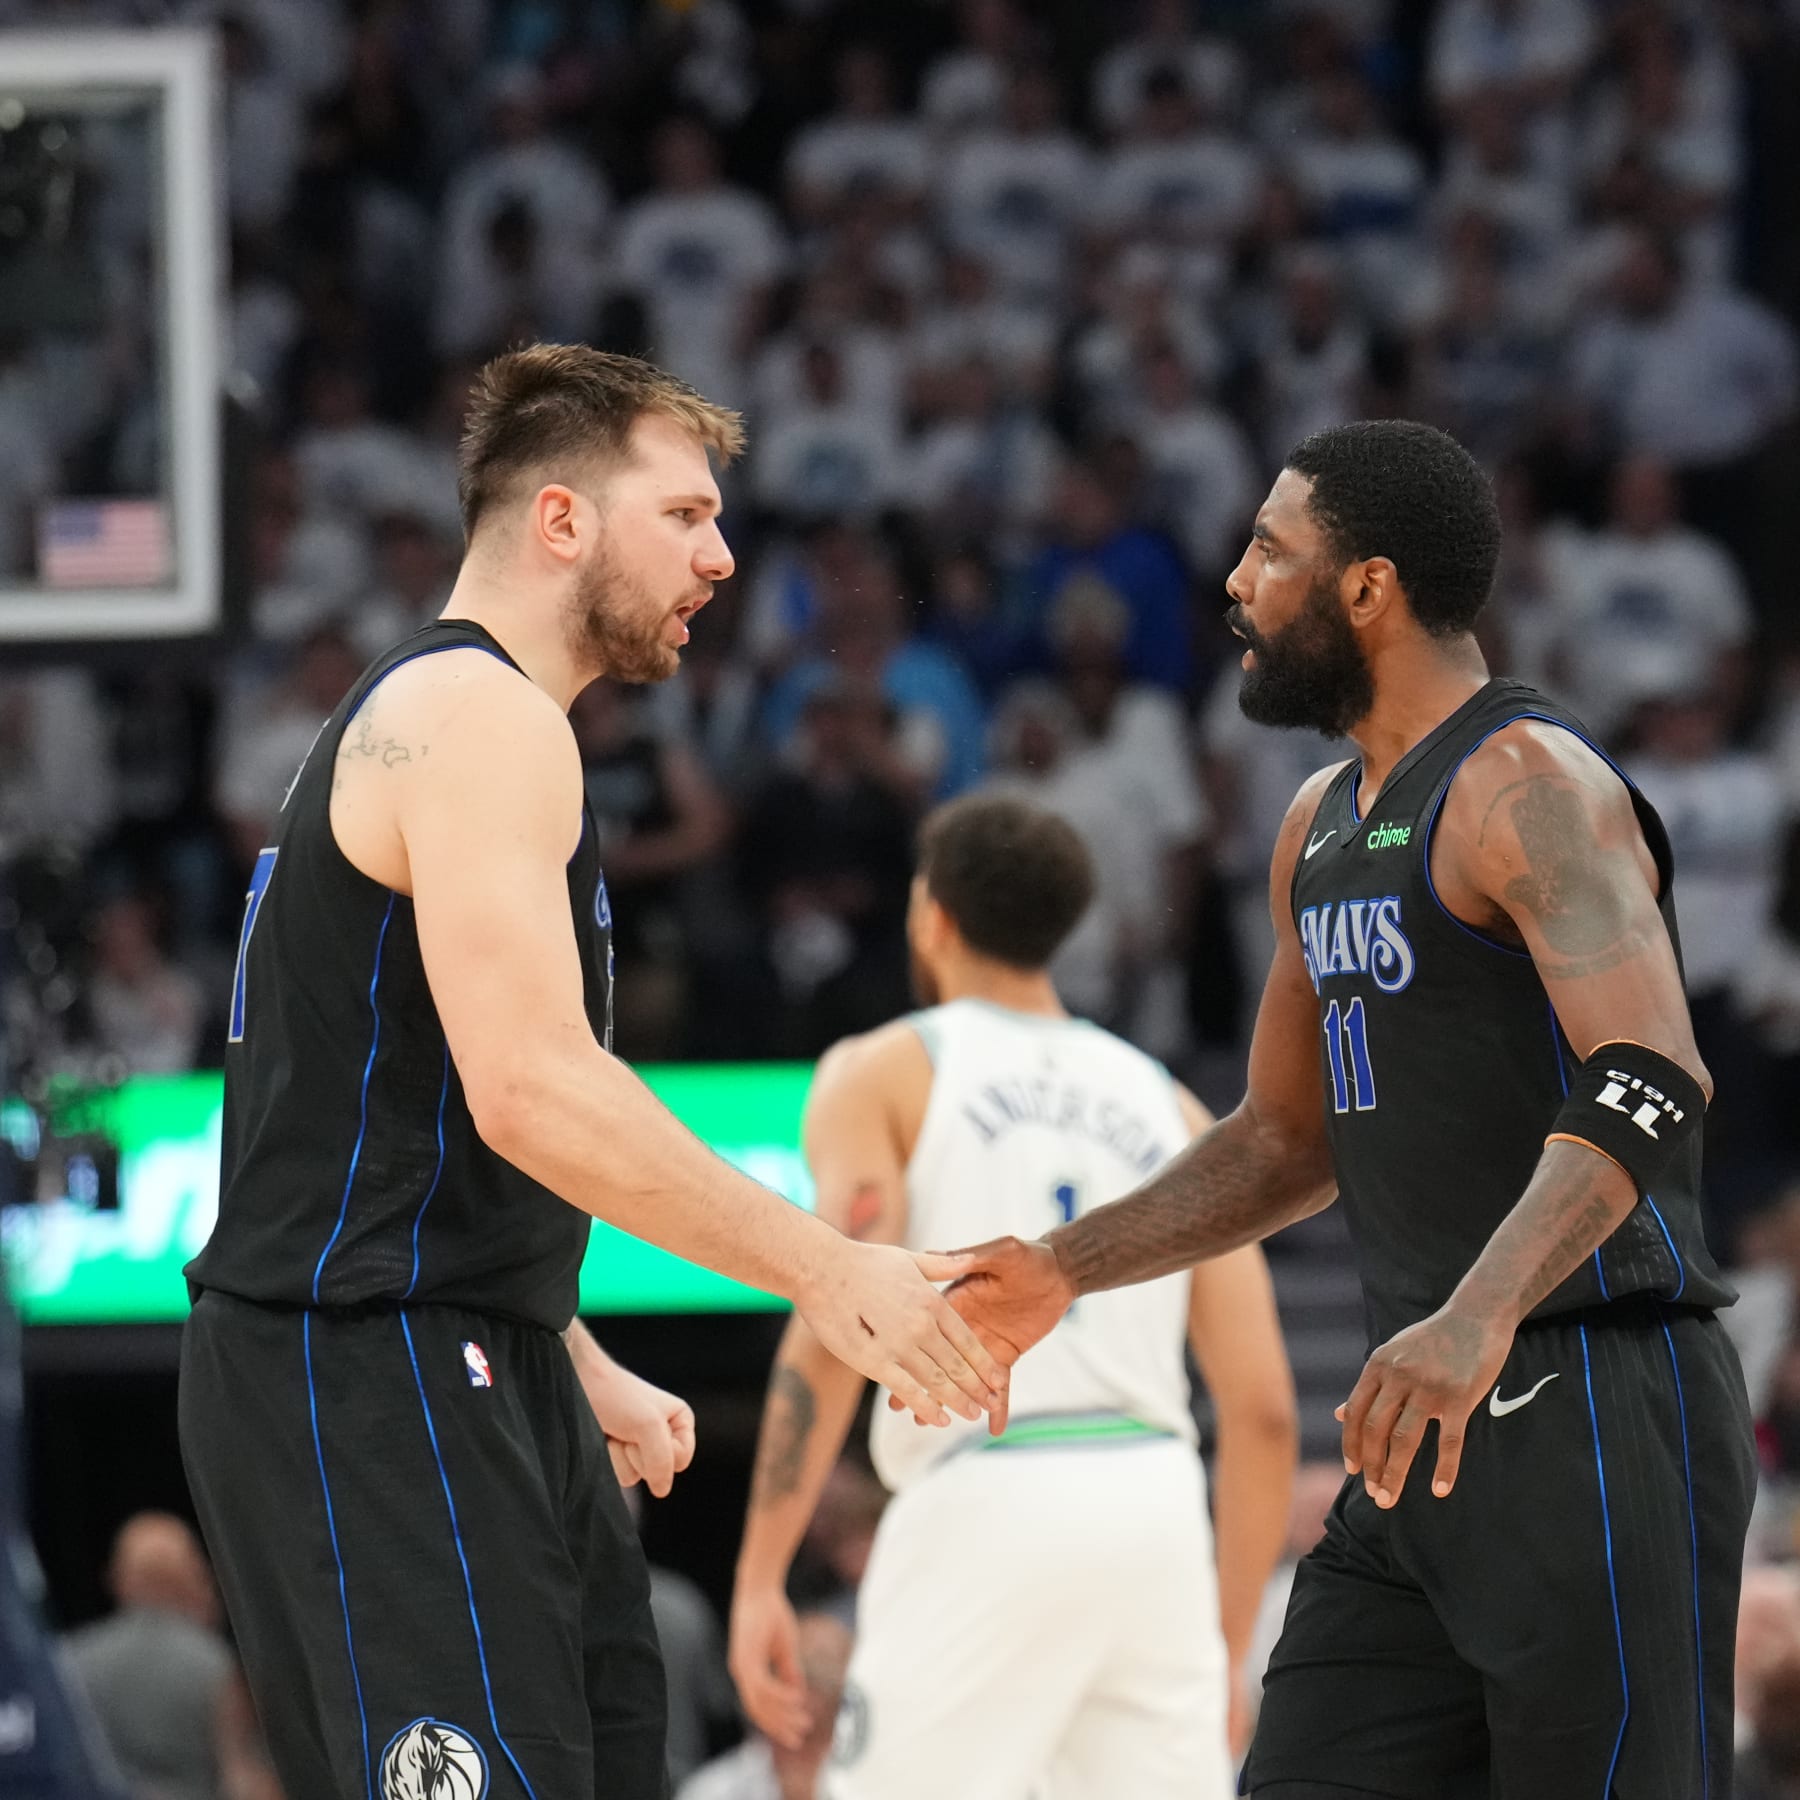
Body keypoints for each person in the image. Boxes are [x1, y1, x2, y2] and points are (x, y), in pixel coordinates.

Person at [178, 344, 1007, 1800]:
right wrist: (822, 1264)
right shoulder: (479, 719)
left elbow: (404, 1105)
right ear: (561, 520)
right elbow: (533, 1089)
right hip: (366, 1353)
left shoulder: (469, 725)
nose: (724, 556)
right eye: (684, 515)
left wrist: (566, 1343)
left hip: (467, 1334)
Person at [937, 419, 1756, 1799]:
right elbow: (1283, 1140)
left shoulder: (1530, 788)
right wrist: (1064, 1272)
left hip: (1596, 1404)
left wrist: (1481, 1311)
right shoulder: (1318, 819)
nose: (1235, 583)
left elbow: (1654, 1072)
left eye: (1269, 549)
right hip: (1418, 1435)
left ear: (1366, 589)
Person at [730, 794, 1297, 1799]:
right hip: (1153, 1507)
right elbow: (1257, 1411)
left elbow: (835, 1320)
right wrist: (1226, 1639)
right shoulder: (1171, 1104)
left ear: (931, 915)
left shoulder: (887, 1069)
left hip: (983, 1491)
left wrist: (762, 1572)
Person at [62, 1513, 231, 1800]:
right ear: (189, 1577)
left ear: (117, 1580)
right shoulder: (217, 1667)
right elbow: (245, 1773)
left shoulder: (64, 1663)